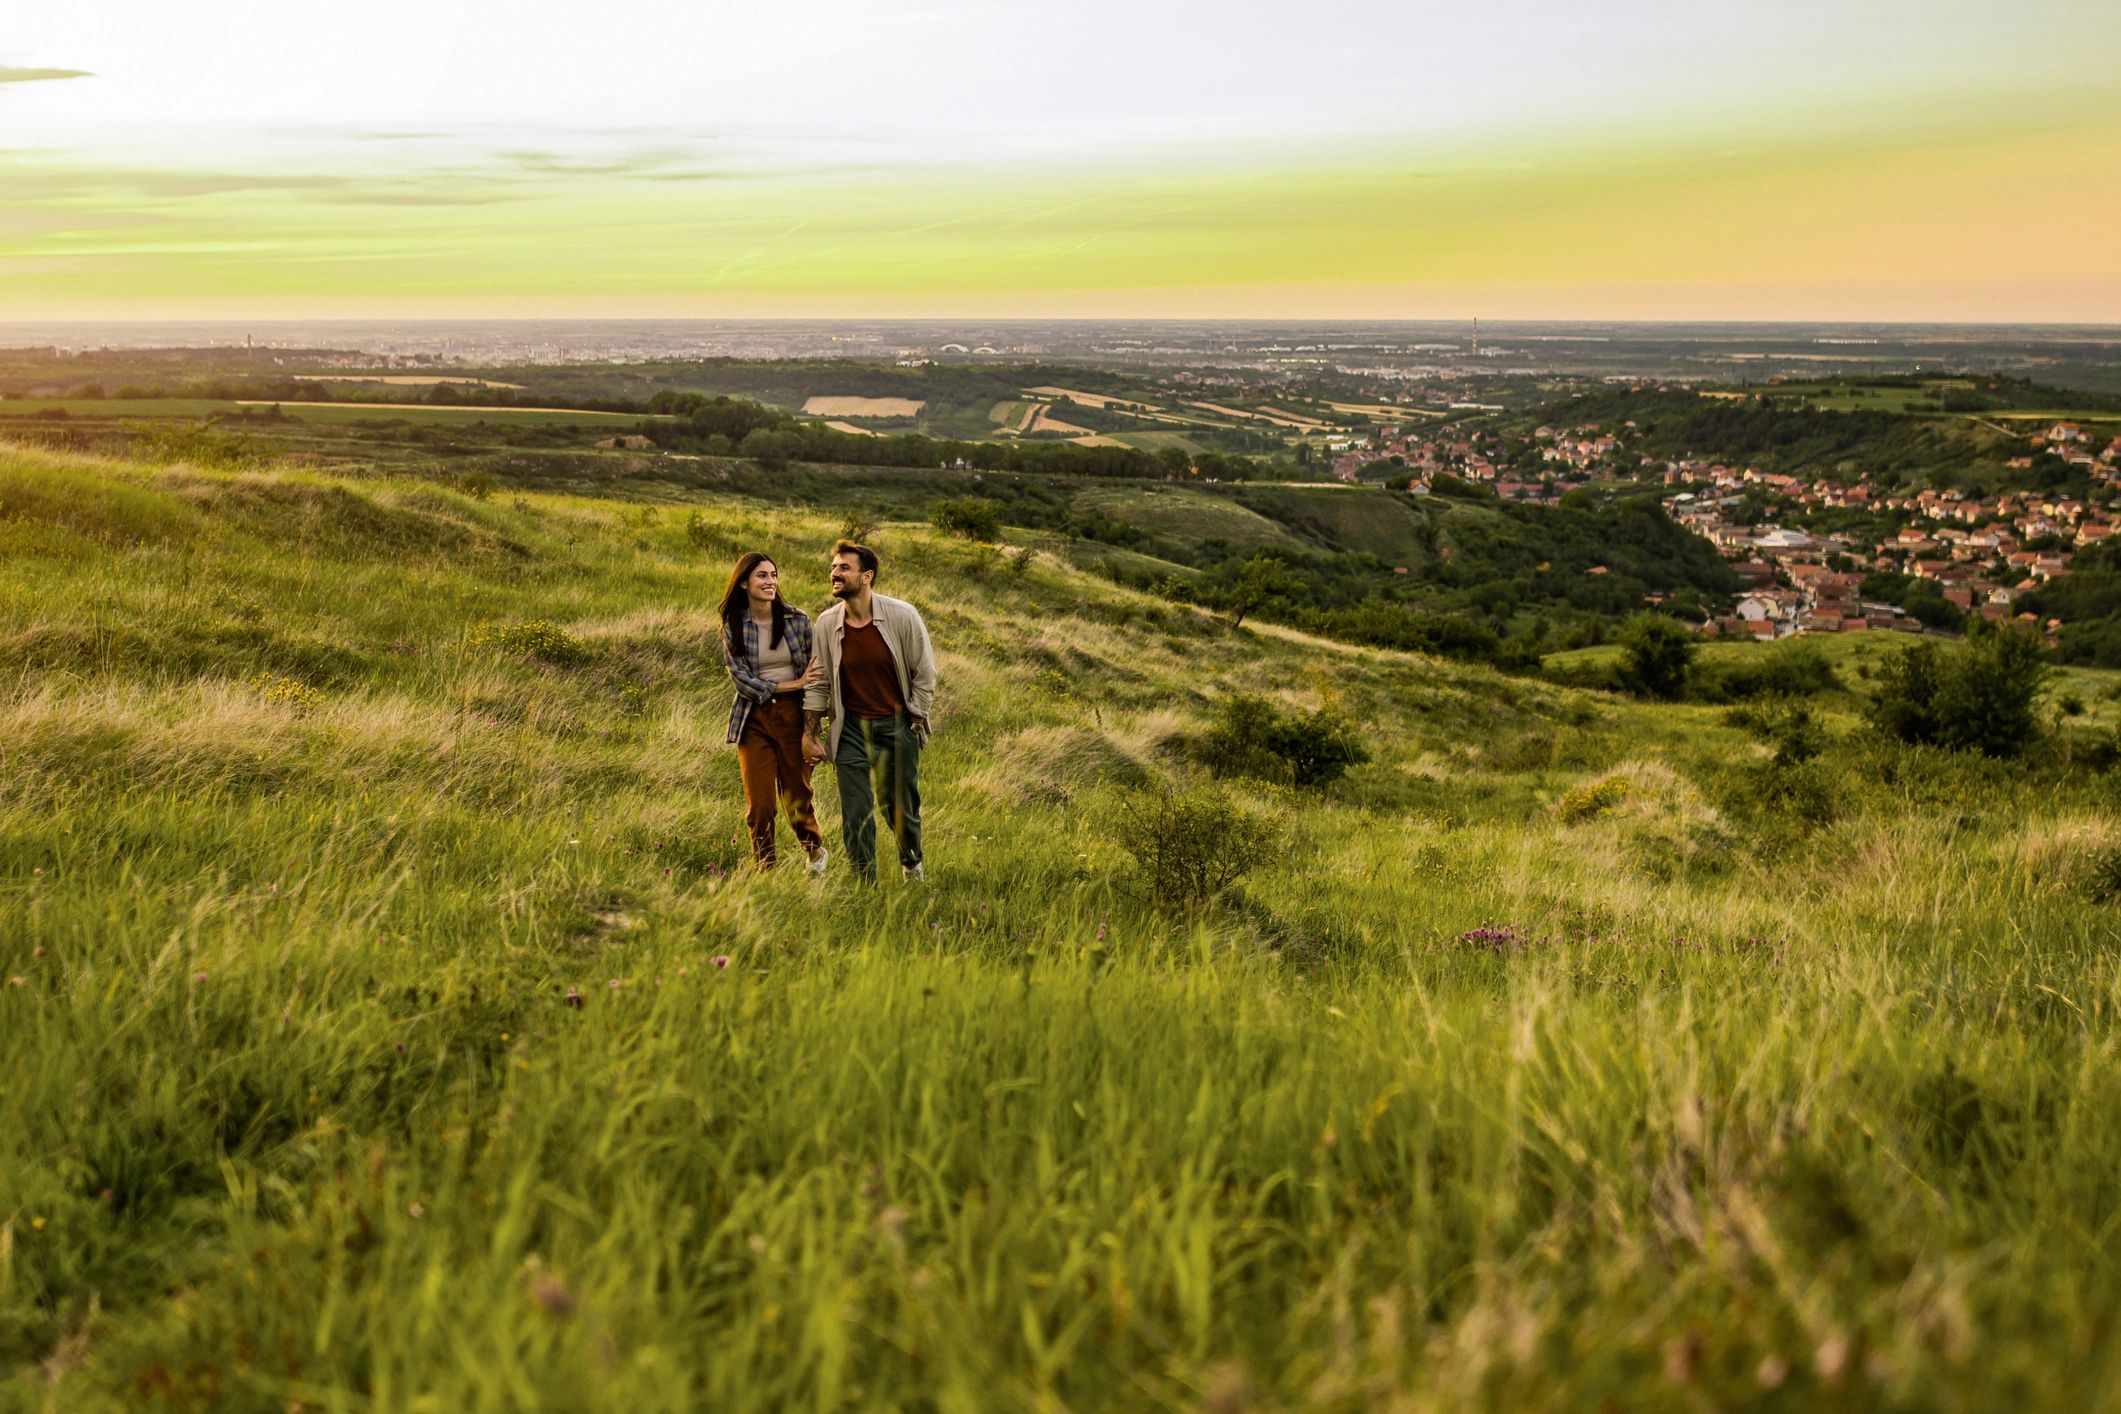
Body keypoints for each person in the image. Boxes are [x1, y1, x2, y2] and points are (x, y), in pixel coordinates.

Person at [802, 540, 937, 882]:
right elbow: (818, 682)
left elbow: (925, 672)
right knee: (856, 812)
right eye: (833, 567)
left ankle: (911, 863)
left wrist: (915, 718)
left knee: (900, 812)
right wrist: (811, 732)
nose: (834, 573)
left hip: (895, 727)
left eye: (843, 568)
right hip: (849, 730)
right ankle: (865, 883)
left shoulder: (902, 615)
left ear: (866, 577)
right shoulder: (827, 623)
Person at [718, 551, 829, 873]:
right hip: (754, 720)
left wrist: (812, 724)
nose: (770, 582)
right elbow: (742, 681)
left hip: (794, 718)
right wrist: (793, 684)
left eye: (773, 575)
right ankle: (765, 869)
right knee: (760, 806)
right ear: (743, 583)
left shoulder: (797, 620)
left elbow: (816, 672)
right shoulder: (734, 625)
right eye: (762, 576)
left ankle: (815, 853)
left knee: (797, 799)